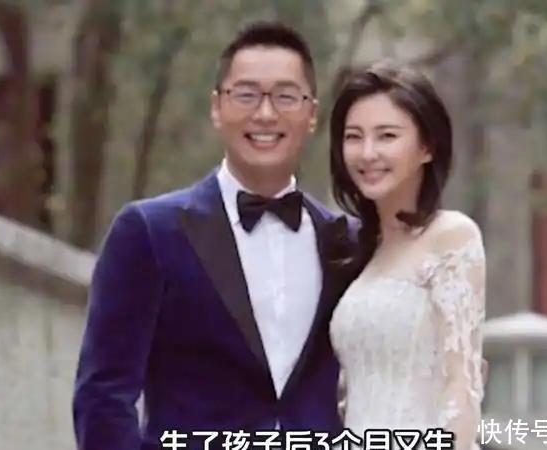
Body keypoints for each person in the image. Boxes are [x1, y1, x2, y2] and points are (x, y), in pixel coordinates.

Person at [72, 21, 358, 450]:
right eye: (246, 94)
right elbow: (103, 396)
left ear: (312, 114)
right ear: (217, 107)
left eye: (285, 96)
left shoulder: (346, 241)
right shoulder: (149, 232)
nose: (265, 114)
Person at [328, 61, 486, 450]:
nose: (367, 153)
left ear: (427, 146)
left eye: (387, 136)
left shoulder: (451, 237)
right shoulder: (359, 253)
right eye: (354, 137)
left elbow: (462, 385)